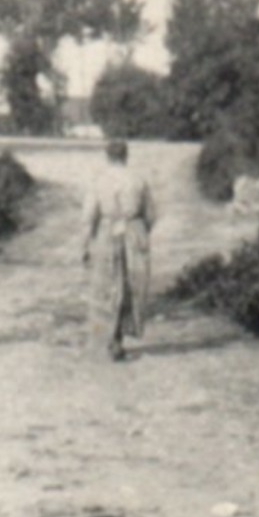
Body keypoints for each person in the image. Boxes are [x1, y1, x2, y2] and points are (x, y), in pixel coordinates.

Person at [80, 139, 157, 361]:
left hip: (107, 230)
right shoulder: (138, 179)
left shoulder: (99, 180)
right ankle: (119, 337)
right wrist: (141, 232)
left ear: (107, 156)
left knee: (108, 285)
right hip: (134, 230)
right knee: (132, 285)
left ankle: (111, 339)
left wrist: (85, 244)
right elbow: (150, 214)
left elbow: (88, 216)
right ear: (126, 155)